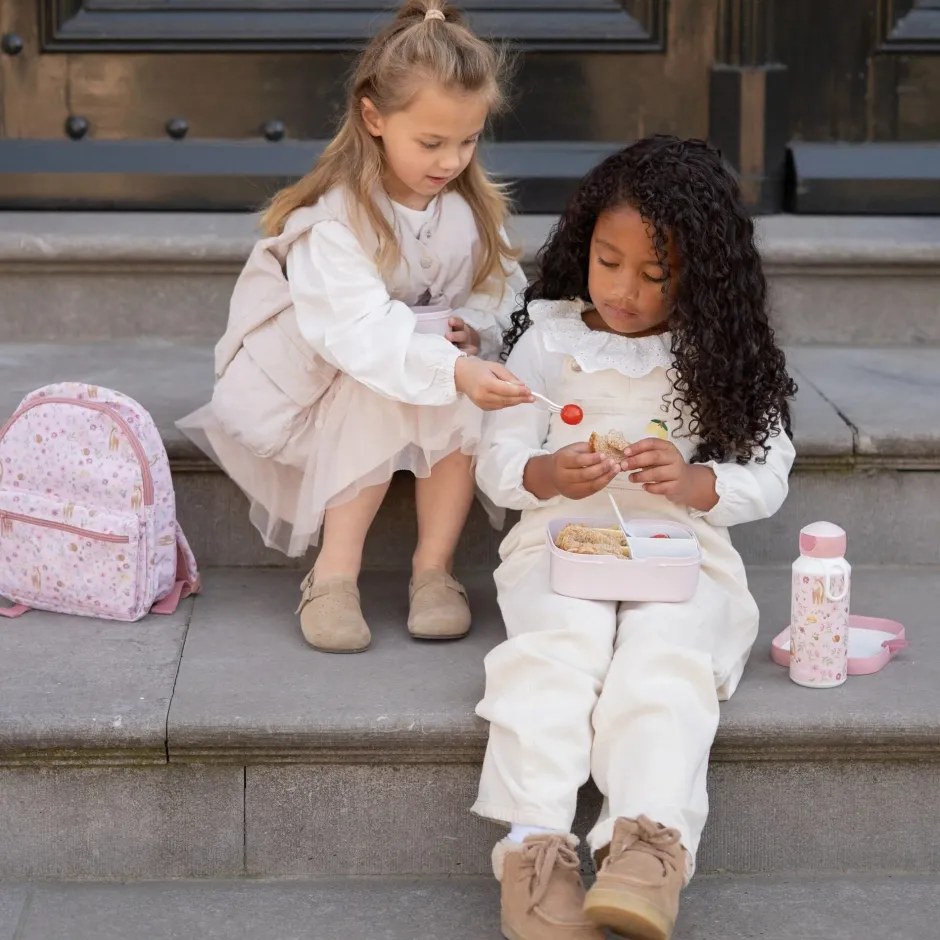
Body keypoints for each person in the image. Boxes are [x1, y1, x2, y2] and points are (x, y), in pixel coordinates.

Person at [472, 136, 798, 940]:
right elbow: (498, 454)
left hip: (677, 543)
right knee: (554, 658)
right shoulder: (548, 340)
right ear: (585, 244)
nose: (624, 291)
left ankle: (645, 853)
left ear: (702, 279)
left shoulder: (714, 351)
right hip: (563, 538)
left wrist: (695, 483)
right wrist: (548, 474)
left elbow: (767, 463)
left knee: (664, 663)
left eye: (657, 276)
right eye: (609, 262)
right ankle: (535, 850)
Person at [180, 0, 531, 654]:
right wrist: (449, 365)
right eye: (431, 142)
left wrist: (475, 334)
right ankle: (334, 575)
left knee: (449, 385)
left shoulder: (472, 211)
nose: (451, 160)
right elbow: (356, 330)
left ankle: (434, 569)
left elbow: (501, 288)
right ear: (374, 118)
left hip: (421, 365)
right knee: (383, 381)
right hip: (325, 377)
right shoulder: (335, 220)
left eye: (468, 140)